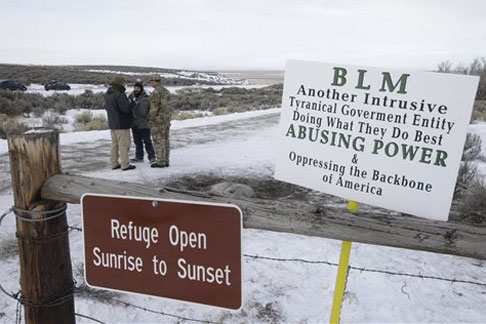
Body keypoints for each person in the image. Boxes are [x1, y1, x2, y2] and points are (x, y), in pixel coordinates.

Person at [104, 75, 136, 171]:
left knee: (114, 145)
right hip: (122, 124)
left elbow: (106, 107)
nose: (125, 85)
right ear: (120, 83)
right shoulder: (119, 95)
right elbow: (126, 109)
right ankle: (125, 164)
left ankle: (114, 163)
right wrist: (132, 103)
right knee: (123, 145)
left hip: (112, 123)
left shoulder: (107, 94)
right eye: (124, 83)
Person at [128, 81, 156, 163]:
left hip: (144, 123)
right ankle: (139, 157)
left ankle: (152, 157)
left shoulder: (146, 98)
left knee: (147, 141)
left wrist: (149, 118)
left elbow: (151, 109)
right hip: (134, 123)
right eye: (135, 87)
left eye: (138, 88)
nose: (136, 89)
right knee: (137, 141)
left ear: (141, 89)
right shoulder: (130, 96)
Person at [149, 74, 172, 168]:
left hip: (158, 120)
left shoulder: (156, 92)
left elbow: (154, 107)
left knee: (158, 140)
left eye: (151, 81)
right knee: (165, 139)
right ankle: (165, 160)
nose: (150, 82)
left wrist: (151, 118)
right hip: (166, 118)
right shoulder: (166, 91)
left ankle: (161, 161)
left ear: (155, 81)